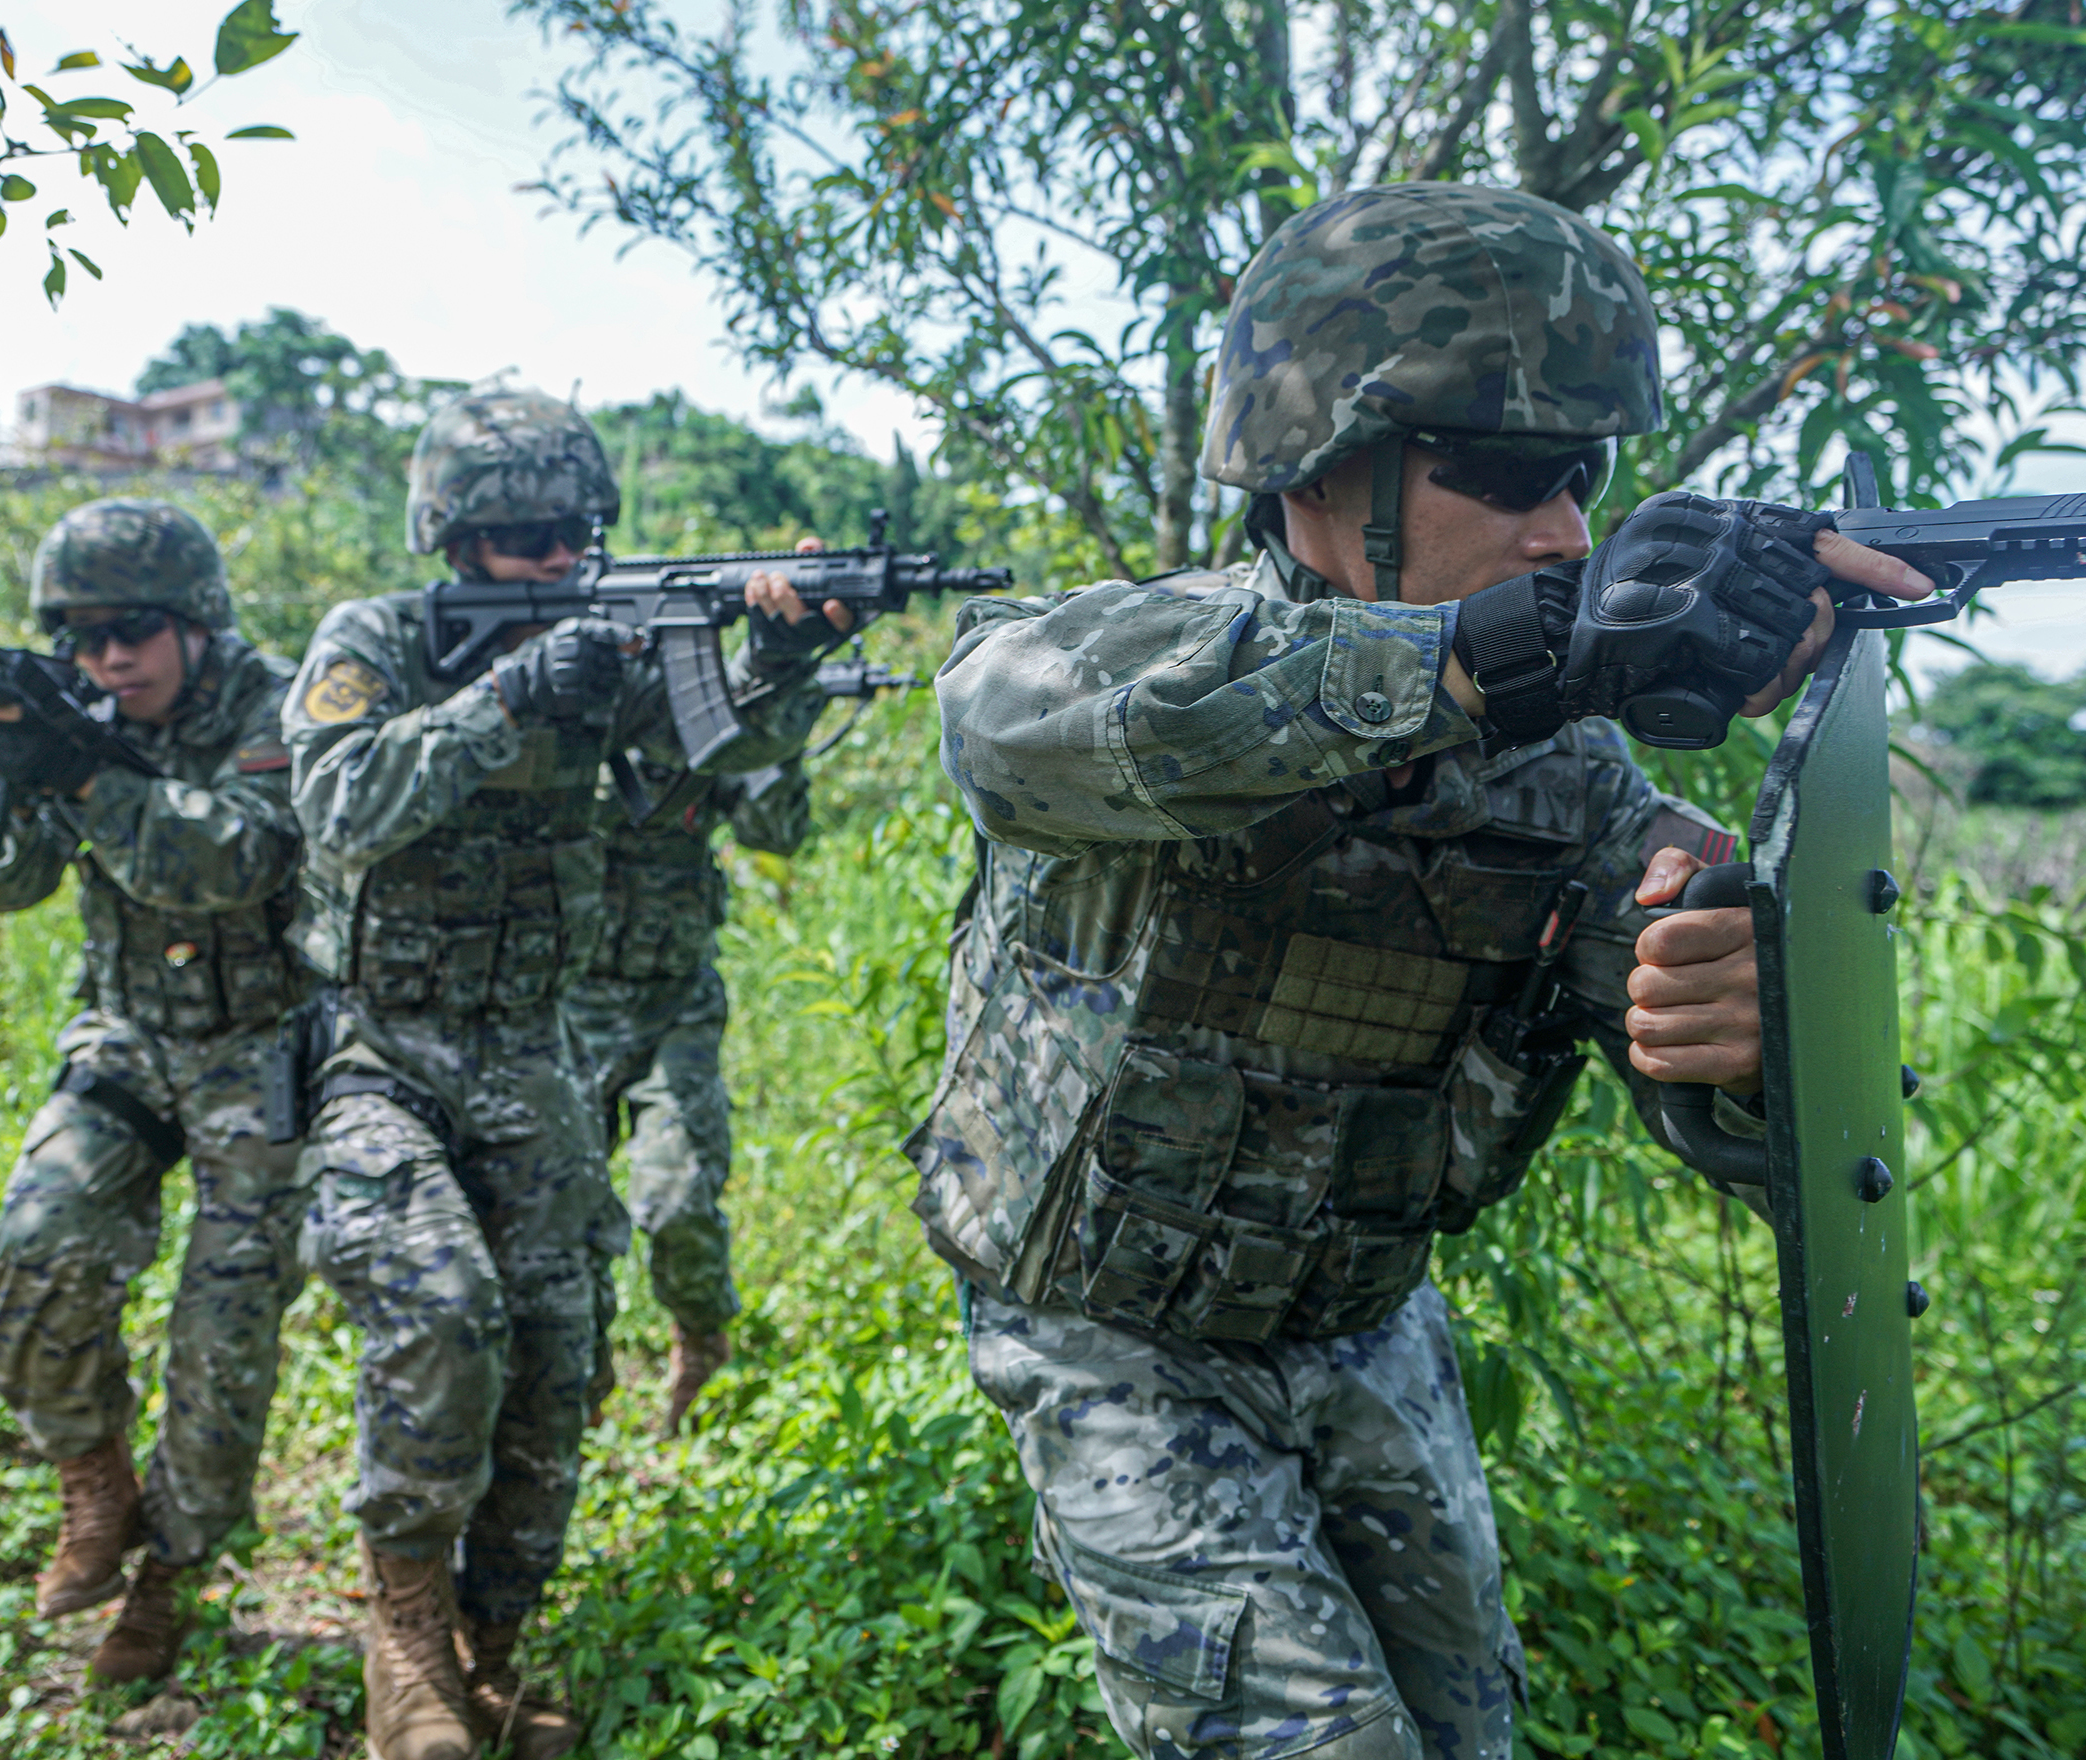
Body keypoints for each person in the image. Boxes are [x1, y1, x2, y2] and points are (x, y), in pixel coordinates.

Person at [909, 183, 1934, 1760]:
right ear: (1327, 465)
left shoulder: (1574, 776)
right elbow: (1011, 721)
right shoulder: (1123, 664)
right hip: (1113, 1338)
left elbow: (1728, 1095)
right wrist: (1517, 650)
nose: (1566, 532)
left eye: (1584, 483)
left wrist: (1730, 1028)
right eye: (1515, 475)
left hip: (1366, 1323)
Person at [282, 374, 846, 1760]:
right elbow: (338, 805)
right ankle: (405, 1641)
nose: (551, 562)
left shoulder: (618, 650)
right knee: (444, 1309)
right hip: (384, 1051)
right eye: (521, 540)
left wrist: (791, 653)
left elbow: (724, 766)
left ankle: (494, 1644)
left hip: (531, 1048)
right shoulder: (382, 640)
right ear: (454, 537)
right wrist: (509, 696)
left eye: (571, 535)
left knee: (556, 1352)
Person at [0, 497, 308, 1685]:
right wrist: (22, 778)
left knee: (223, 1337)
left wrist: (92, 781)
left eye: (136, 628)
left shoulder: (279, 702)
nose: (110, 656)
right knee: (38, 1246)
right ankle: (94, 1483)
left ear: (198, 620)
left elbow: (240, 859)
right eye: (82, 633)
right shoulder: (83, 710)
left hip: (264, 1046)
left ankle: (168, 1578)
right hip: (125, 1038)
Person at [567, 753, 811, 1436]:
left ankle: (700, 1340)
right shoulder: (569, 694)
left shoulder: (701, 709)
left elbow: (778, 831)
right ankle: (575, 1382)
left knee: (676, 1194)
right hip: (564, 1001)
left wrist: (772, 729)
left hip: (675, 1000)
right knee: (561, 1214)